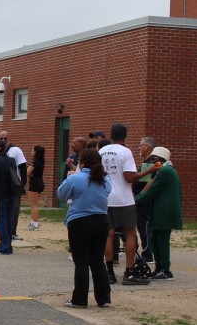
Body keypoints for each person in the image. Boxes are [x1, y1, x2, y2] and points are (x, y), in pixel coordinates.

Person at [99, 123, 157, 285]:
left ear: (111, 135)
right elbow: (129, 177)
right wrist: (149, 171)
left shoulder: (101, 151)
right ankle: (129, 272)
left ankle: (109, 272)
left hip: (105, 197)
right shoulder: (125, 152)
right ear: (125, 136)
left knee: (108, 234)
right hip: (123, 199)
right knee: (130, 232)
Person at [57, 147, 112, 308]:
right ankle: (104, 298)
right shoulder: (105, 180)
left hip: (80, 221)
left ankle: (80, 299)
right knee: (97, 261)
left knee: (81, 262)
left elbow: (61, 194)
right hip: (101, 220)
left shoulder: (76, 179)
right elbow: (108, 192)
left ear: (81, 162)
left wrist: (68, 178)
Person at [135, 146, 183, 280]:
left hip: (165, 210)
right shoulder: (163, 170)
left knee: (162, 241)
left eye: (153, 159)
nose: (151, 161)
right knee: (155, 239)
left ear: (161, 159)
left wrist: (134, 201)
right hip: (159, 209)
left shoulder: (166, 171)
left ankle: (166, 270)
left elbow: (152, 191)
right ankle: (159, 268)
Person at [134, 136, 157, 262]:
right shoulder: (147, 162)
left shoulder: (151, 162)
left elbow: (149, 182)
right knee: (142, 225)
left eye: (141, 145)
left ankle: (148, 254)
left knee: (144, 225)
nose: (139, 147)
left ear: (147, 147)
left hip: (144, 200)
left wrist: (140, 196)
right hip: (141, 199)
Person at [26, 145, 46, 230]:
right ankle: (33, 222)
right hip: (40, 183)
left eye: (32, 150)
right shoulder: (41, 162)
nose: (31, 152)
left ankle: (35, 224)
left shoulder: (34, 163)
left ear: (35, 152)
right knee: (35, 205)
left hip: (34, 184)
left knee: (33, 205)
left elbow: (27, 173)